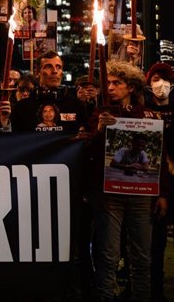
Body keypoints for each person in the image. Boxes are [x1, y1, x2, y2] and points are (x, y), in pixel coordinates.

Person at [88, 60, 167, 301]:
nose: (110, 87)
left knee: (142, 256)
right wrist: (100, 130)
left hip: (142, 197)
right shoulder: (100, 113)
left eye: (117, 83)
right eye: (108, 83)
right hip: (111, 196)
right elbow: (89, 154)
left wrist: (162, 193)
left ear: (130, 87)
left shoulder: (148, 116)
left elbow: (158, 159)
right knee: (108, 254)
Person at [143, 62, 174, 299]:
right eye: (155, 79)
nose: (160, 85)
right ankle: (153, 287)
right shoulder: (142, 110)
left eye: (164, 80)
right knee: (154, 240)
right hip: (152, 183)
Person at [9, 51, 87, 133]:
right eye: (48, 66)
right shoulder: (21, 108)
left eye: (58, 67)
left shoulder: (76, 105)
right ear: (37, 72)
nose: (55, 71)